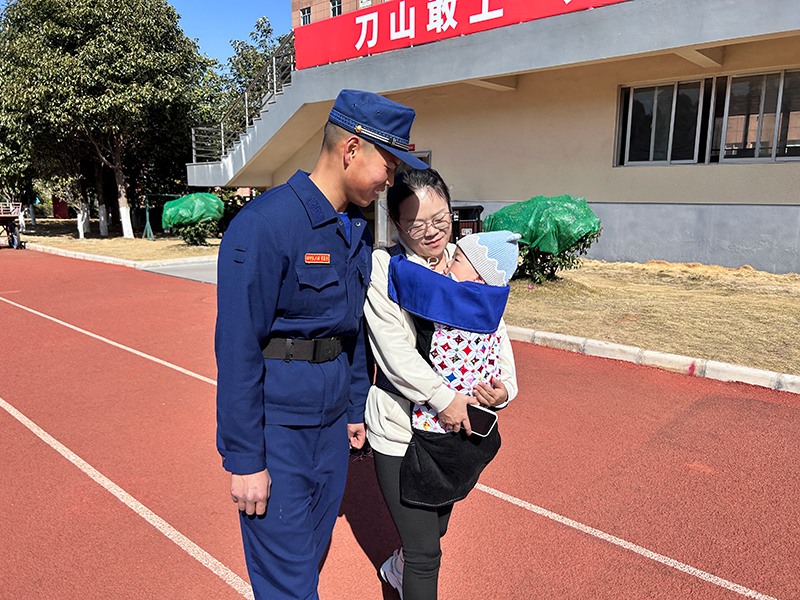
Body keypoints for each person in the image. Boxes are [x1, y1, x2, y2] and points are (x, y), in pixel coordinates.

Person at [215, 89, 429, 600]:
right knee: (287, 584)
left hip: (331, 430)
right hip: (280, 433)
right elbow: (238, 348)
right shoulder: (264, 227)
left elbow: (347, 330)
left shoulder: (349, 231)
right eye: (389, 164)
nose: (391, 180)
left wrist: (355, 407)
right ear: (351, 149)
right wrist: (246, 460)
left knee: (309, 559)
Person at [363, 168, 519, 599]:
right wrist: (445, 399)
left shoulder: (469, 261)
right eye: (416, 224)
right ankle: (408, 565)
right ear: (397, 224)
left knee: (438, 524)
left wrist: (505, 388)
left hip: (456, 433)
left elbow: (496, 333)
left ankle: (395, 567)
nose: (431, 233)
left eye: (441, 219)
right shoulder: (387, 269)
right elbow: (395, 355)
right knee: (425, 554)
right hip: (401, 427)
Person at [402, 230, 522, 434]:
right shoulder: (491, 312)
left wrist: (504, 394)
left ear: (479, 277)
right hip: (441, 416)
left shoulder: (449, 300)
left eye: (456, 259)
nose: (447, 264)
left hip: (443, 420)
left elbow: (505, 363)